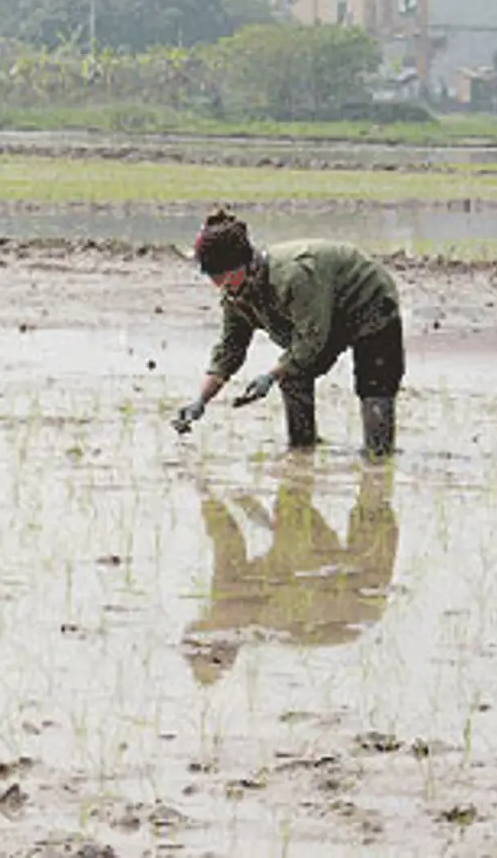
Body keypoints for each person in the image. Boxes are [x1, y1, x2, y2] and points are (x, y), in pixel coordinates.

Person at [172, 210, 405, 457]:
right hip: (323, 313)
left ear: (242, 265)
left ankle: (379, 456)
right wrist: (201, 401)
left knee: (375, 384)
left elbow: (311, 340)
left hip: (368, 301)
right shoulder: (235, 294)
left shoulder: (294, 277)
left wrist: (269, 376)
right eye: (211, 277)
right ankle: (302, 451)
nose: (218, 285)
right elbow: (230, 349)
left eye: (220, 276)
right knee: (293, 377)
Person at [183, 455, 398, 685]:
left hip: (352, 591)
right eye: (204, 624)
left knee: (293, 504)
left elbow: (226, 537)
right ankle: (369, 466)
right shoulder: (274, 621)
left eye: (201, 621)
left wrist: (208, 495)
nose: (206, 614)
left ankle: (318, 454)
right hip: (358, 593)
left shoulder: (228, 595)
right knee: (367, 496)